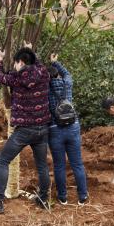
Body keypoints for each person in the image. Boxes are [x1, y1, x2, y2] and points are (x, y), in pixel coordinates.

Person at [0, 44, 51, 215]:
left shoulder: (17, 78)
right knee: (42, 166)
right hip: (42, 129)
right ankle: (43, 199)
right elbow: (37, 63)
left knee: (2, 160)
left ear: (21, 62)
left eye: (16, 62)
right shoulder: (44, 73)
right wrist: (30, 50)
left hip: (25, 130)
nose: (15, 66)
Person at [47, 53, 88, 206]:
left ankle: (63, 197)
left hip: (54, 128)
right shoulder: (67, 83)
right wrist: (55, 62)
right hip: (72, 126)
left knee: (59, 166)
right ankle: (82, 196)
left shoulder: (45, 89)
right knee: (77, 164)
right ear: (57, 74)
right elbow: (67, 73)